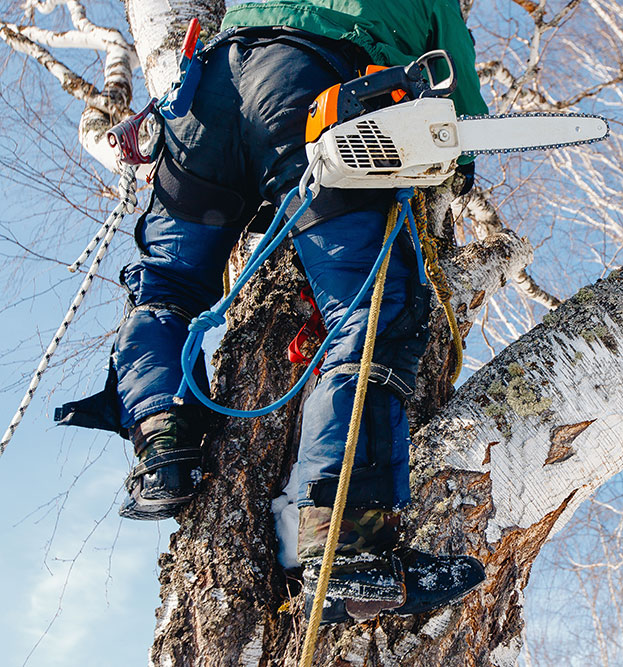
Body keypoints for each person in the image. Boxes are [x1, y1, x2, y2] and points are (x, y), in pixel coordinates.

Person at [55, 0, 486, 623]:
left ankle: (163, 439)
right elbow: (462, 104)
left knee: (166, 287)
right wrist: (459, 166)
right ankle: (346, 547)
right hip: (310, 97)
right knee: (369, 311)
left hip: (204, 99)